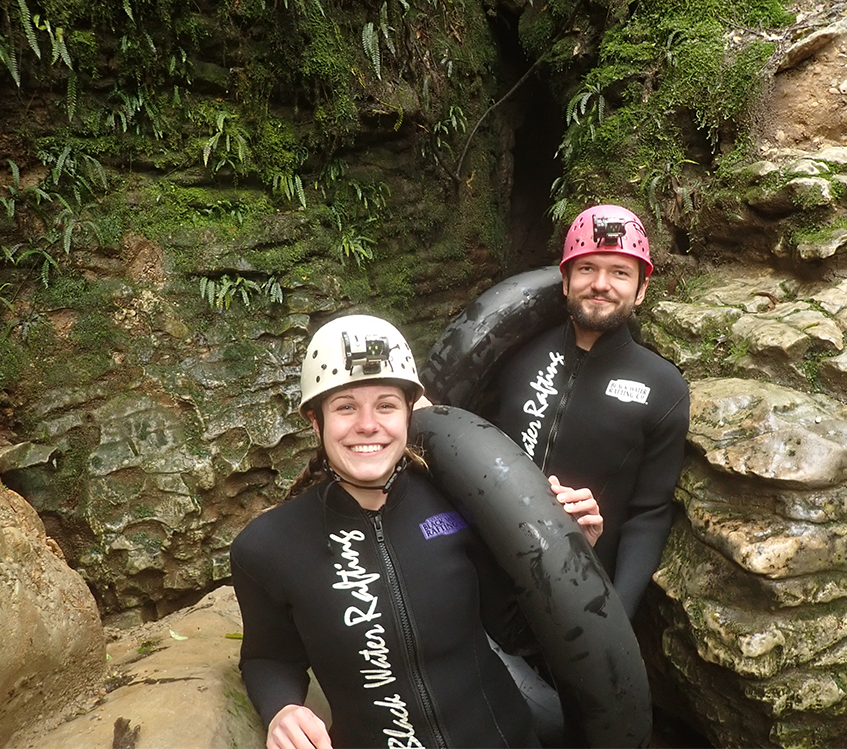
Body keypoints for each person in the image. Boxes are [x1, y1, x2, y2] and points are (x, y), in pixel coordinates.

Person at [230, 314, 603, 749]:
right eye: (346, 406)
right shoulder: (267, 547)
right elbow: (266, 657)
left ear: (408, 414)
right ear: (316, 422)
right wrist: (281, 709)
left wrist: (571, 557)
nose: (368, 425)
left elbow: (517, 632)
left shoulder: (464, 503)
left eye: (385, 405)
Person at [486, 204, 690, 621]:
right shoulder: (514, 356)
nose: (601, 284)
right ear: (564, 280)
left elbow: (649, 514)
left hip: (579, 600)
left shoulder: (664, 387)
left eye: (620, 272)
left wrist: (617, 617)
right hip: (489, 578)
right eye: (586, 269)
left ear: (641, 289)